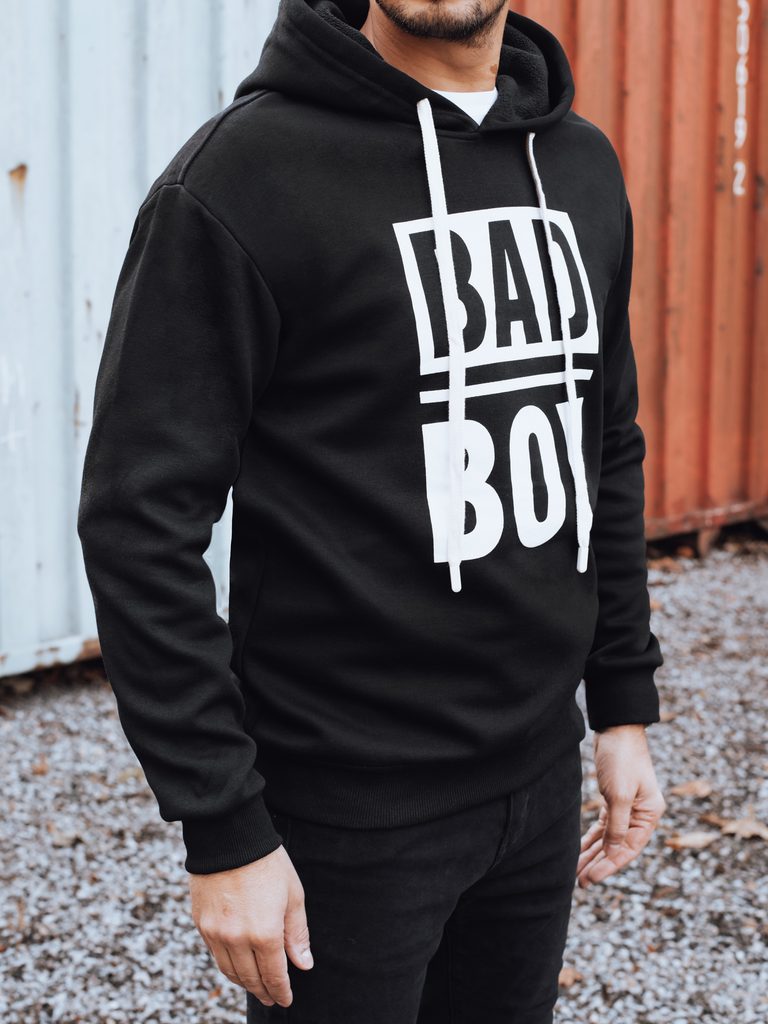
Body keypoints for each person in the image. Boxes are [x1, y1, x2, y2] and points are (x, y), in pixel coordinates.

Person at [76, 0, 668, 1021]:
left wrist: (621, 704)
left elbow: (603, 442)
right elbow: (140, 519)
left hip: (538, 778)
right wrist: (225, 828)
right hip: (344, 809)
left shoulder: (578, 165)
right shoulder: (241, 179)